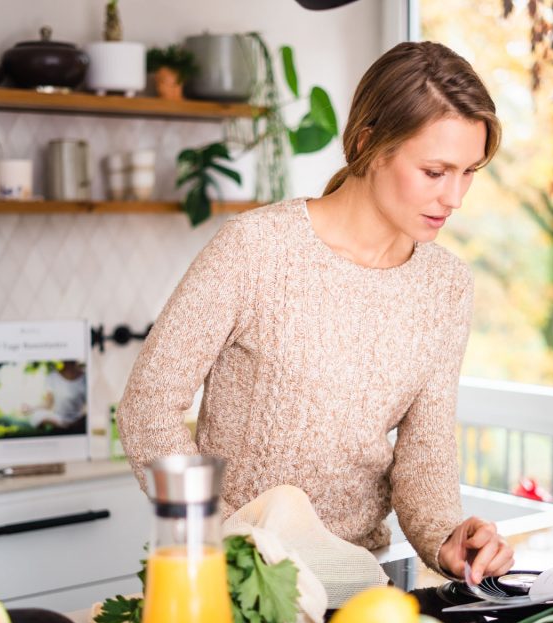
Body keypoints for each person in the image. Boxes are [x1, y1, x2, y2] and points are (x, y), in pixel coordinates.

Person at [118, 41, 514, 584]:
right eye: (435, 171)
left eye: (469, 171)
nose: (455, 197)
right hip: (233, 581)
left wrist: (450, 539)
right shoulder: (255, 249)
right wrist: (217, 542)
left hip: (360, 582)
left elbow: (425, 456)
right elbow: (149, 409)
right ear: (370, 144)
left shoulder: (445, 285)